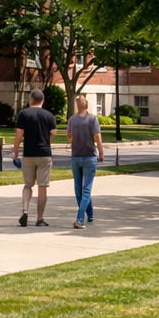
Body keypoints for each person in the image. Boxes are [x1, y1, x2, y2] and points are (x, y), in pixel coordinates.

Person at [13, 87, 58, 227]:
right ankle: (39, 218)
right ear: (42, 100)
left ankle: (25, 210)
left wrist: (15, 153)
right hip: (44, 154)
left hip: (28, 154)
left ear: (31, 99)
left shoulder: (23, 114)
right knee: (42, 187)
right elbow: (54, 132)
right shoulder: (49, 116)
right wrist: (47, 142)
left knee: (28, 185)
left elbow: (18, 135)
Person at [67, 93, 104, 228]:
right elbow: (98, 138)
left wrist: (76, 140)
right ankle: (82, 218)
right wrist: (101, 153)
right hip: (90, 156)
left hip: (75, 156)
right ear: (87, 105)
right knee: (86, 190)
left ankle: (86, 215)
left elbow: (69, 137)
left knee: (78, 190)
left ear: (77, 105)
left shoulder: (72, 120)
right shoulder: (93, 119)